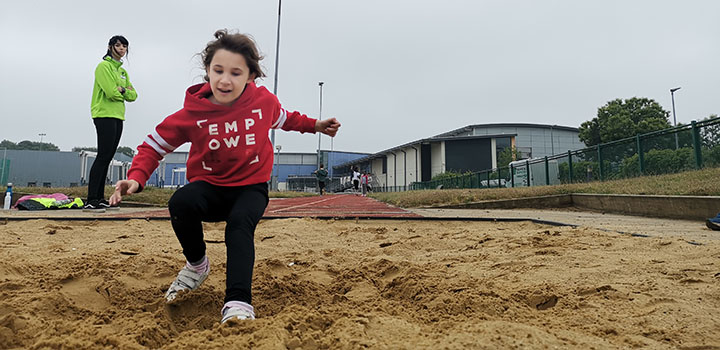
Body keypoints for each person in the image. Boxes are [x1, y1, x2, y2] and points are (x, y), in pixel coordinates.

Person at [108, 30, 341, 323]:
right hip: (211, 187)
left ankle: (238, 303)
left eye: (235, 72)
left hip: (250, 188)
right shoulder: (192, 113)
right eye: (218, 71)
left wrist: (316, 125)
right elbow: (153, 145)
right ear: (207, 71)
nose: (225, 80)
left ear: (250, 76)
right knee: (181, 203)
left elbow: (286, 118)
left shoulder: (262, 101)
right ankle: (196, 265)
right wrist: (137, 178)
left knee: (239, 227)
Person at [85, 35, 137, 211]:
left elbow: (133, 95)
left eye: (124, 46)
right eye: (118, 45)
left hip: (118, 115)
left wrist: (122, 90)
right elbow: (110, 93)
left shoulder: (122, 71)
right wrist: (122, 90)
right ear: (110, 46)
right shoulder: (103, 67)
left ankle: (100, 198)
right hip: (103, 114)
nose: (122, 49)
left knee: (108, 157)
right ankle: (92, 198)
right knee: (102, 155)